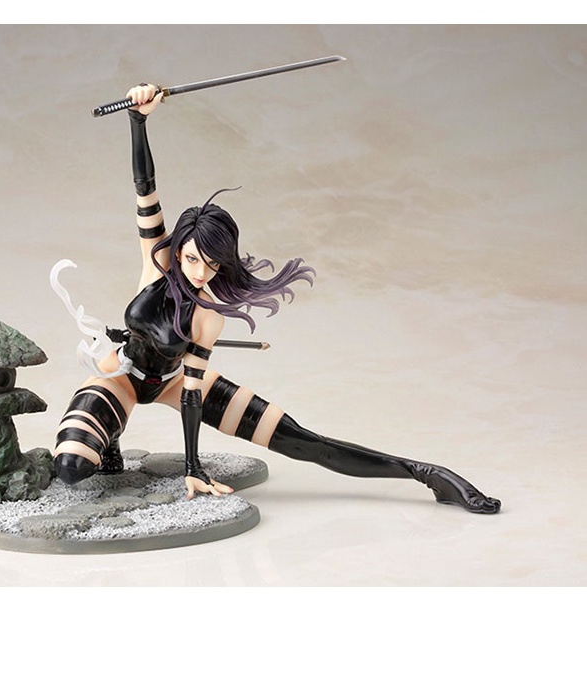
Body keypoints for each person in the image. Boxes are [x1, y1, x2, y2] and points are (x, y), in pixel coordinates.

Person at [50, 84, 501, 513]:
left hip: (172, 382)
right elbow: (144, 187)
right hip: (121, 377)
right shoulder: (159, 260)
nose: (200, 272)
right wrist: (138, 120)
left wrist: (193, 467)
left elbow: (191, 396)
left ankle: (425, 473)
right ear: (179, 248)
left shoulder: (208, 317)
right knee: (71, 465)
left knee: (302, 440)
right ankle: (110, 443)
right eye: (192, 259)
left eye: (212, 265)